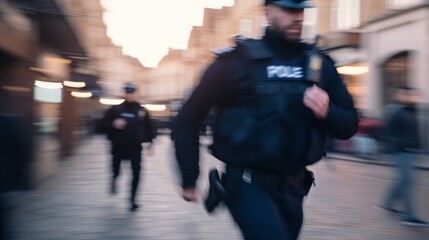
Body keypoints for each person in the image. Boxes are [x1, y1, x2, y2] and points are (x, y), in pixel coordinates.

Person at [171, 0, 358, 239]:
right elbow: (187, 119)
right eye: (289, 10)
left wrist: (328, 112)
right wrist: (189, 176)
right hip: (247, 183)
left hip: (294, 188)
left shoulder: (317, 65)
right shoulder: (234, 63)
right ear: (268, 13)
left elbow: (349, 124)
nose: (298, 17)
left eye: (301, 11)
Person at [100, 82, 155, 211]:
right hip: (118, 147)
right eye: (128, 92)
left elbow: (149, 127)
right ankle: (114, 179)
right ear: (124, 93)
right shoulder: (115, 110)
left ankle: (132, 200)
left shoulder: (141, 111)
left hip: (135, 147)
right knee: (117, 171)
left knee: (136, 173)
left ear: (136, 93)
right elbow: (101, 125)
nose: (130, 95)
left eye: (132, 92)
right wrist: (113, 124)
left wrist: (151, 144)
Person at [380, 86, 429, 227]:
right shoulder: (397, 112)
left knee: (403, 181)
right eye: (409, 95)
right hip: (401, 151)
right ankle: (409, 215)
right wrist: (400, 145)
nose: (412, 98)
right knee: (407, 182)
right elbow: (389, 133)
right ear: (402, 97)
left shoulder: (413, 111)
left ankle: (388, 202)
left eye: (414, 95)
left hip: (412, 151)